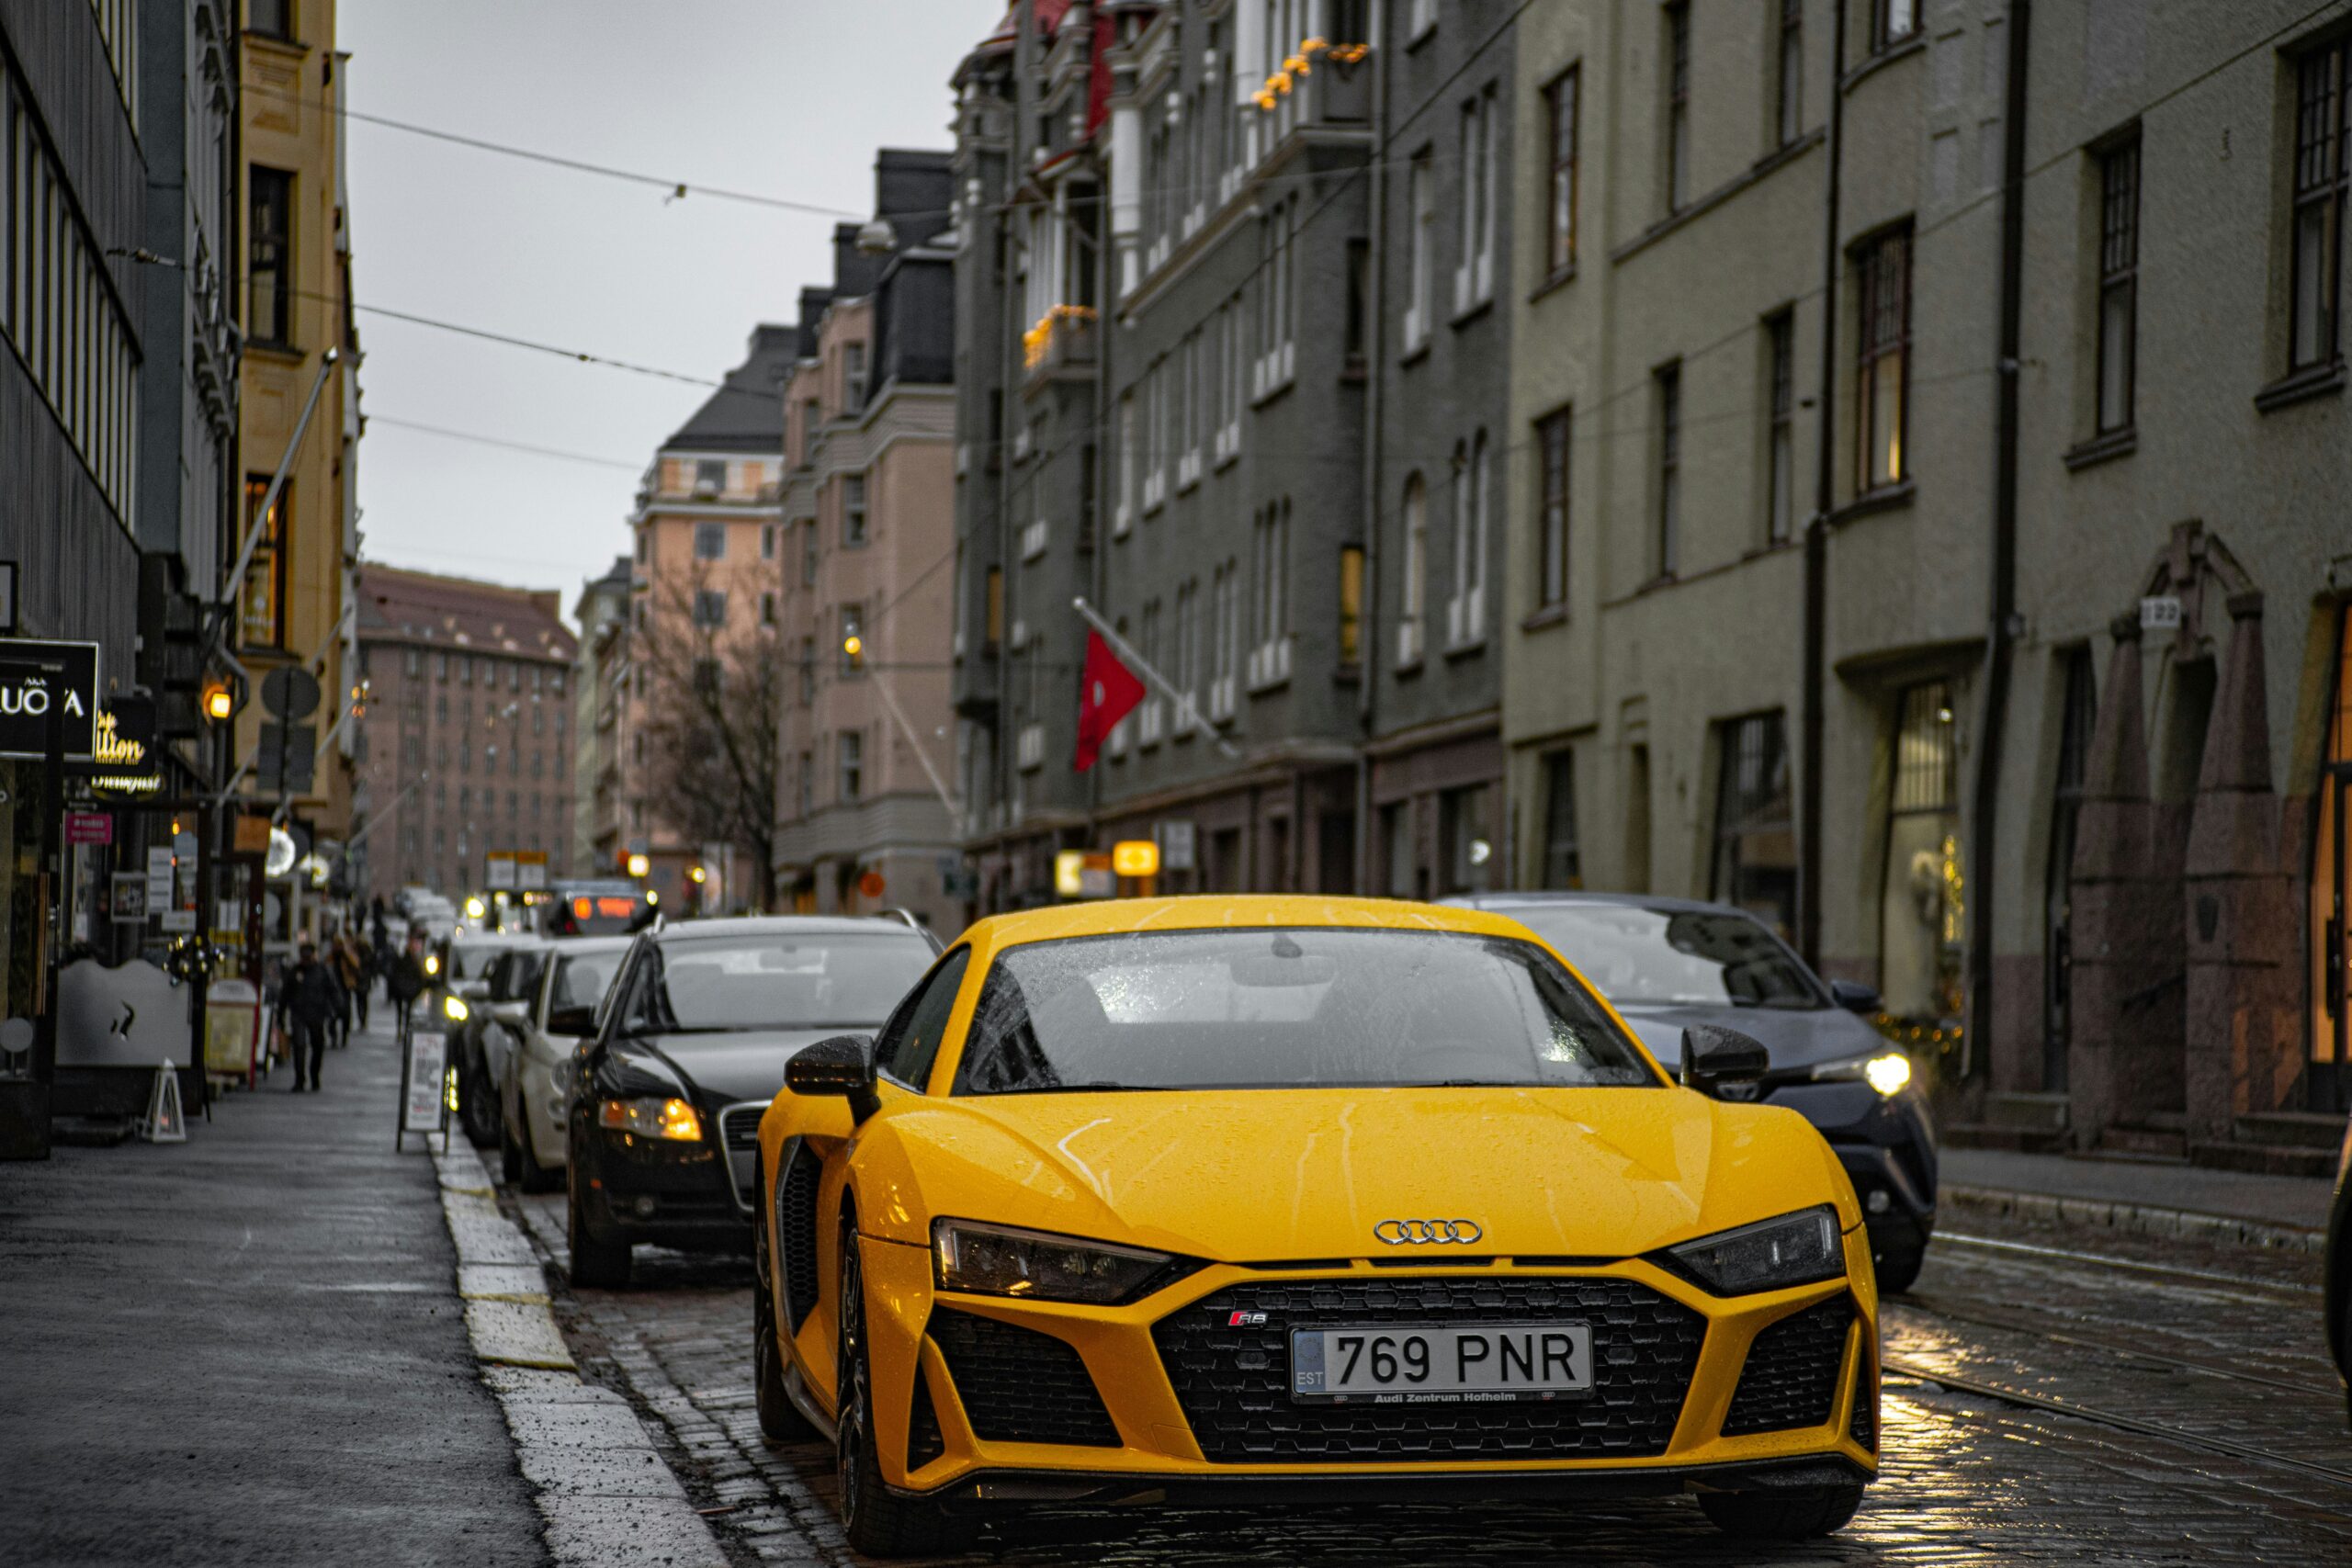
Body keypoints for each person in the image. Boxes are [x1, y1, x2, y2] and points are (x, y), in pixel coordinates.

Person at [283, 940, 342, 1091]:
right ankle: (300, 1079)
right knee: (299, 1045)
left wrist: (336, 1008)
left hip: (317, 1014)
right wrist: (281, 1013)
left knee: (317, 1046)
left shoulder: (322, 971)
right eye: (304, 957)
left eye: (309, 957)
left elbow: (333, 990)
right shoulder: (295, 972)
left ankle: (314, 1075)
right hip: (299, 1014)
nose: (307, 960)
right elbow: (285, 993)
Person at [387, 931, 431, 1048]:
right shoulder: (402, 955)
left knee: (408, 1011)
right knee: (401, 1011)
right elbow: (395, 971)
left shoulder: (416, 957)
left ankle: (405, 1031)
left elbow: (420, 974)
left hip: (410, 988)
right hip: (401, 987)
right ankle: (401, 1031)